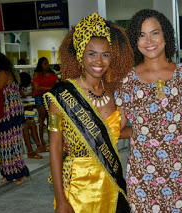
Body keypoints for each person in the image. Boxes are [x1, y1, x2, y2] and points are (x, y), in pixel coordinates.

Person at [44, 13, 133, 212]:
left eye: (105, 54)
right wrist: (61, 199)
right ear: (80, 55)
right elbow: (56, 149)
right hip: (78, 192)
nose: (99, 61)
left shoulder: (115, 93)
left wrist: (150, 130)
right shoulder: (60, 96)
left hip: (113, 186)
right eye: (92, 53)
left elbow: (115, 133)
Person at [116, 9, 182, 212]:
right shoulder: (127, 80)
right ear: (134, 41)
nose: (149, 40)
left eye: (155, 33)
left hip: (181, 173)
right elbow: (116, 128)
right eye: (141, 35)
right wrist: (143, 132)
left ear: (166, 35)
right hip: (142, 177)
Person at [0, 51, 30, 185]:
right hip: (2, 114)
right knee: (3, 146)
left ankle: (20, 174)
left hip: (10, 113)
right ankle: (8, 174)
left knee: (13, 145)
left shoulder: (3, 74)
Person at [20, 72, 48, 159]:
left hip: (20, 114)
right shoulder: (17, 88)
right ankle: (30, 151)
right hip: (14, 118)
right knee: (25, 127)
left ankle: (39, 146)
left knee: (31, 123)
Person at [33, 57, 59, 148]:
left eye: (47, 63)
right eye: (45, 63)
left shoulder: (52, 73)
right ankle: (41, 141)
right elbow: (37, 88)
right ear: (40, 64)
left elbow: (57, 83)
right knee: (42, 118)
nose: (47, 65)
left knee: (50, 119)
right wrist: (50, 89)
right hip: (40, 96)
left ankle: (51, 139)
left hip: (50, 97)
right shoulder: (37, 74)